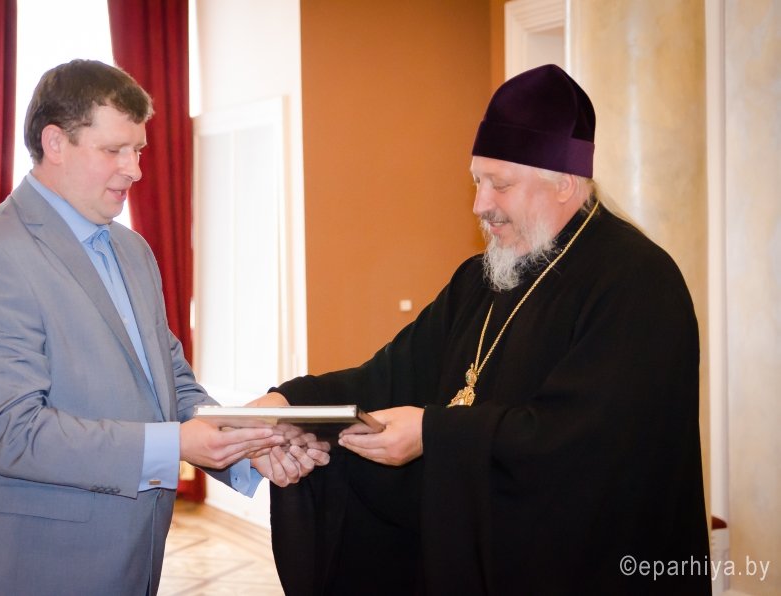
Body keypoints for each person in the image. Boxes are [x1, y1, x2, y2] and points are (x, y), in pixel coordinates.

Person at [258, 64, 710, 595]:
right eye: (477, 180)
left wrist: (433, 433)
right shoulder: (480, 279)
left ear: (564, 183)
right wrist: (287, 405)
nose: (480, 205)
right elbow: (388, 376)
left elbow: (589, 444)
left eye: (500, 184)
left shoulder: (637, 281)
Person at [0, 59, 327, 596]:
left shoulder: (132, 250)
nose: (134, 170)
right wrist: (176, 445)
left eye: (138, 150)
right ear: (55, 142)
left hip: (132, 559)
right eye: (114, 150)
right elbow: (9, 432)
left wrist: (245, 445)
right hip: (29, 565)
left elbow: (171, 384)